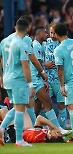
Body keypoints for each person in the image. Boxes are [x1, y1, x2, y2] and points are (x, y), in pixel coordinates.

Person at [0, 18, 35, 146]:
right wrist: (30, 84)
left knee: (15, 108)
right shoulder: (22, 44)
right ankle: (19, 140)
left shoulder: (4, 41)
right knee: (20, 109)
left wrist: (1, 76)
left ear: (16, 27)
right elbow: (25, 65)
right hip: (18, 79)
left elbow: (1, 60)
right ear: (28, 28)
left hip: (7, 78)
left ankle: (2, 128)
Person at [30, 27, 71, 135]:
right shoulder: (36, 45)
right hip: (36, 79)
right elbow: (36, 63)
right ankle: (57, 128)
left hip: (39, 79)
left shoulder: (38, 45)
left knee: (37, 107)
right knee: (48, 103)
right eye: (45, 32)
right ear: (38, 33)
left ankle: (31, 130)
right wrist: (44, 75)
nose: (47, 34)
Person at [44, 22, 67, 129]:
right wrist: (45, 64)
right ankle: (47, 128)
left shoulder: (62, 43)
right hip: (47, 79)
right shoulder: (44, 43)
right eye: (51, 33)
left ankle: (60, 128)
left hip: (59, 80)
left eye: (54, 33)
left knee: (61, 105)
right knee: (46, 105)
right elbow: (38, 59)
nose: (52, 35)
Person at [0, 108, 66, 143]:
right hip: (26, 130)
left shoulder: (40, 136)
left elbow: (40, 118)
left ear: (51, 136)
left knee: (3, 111)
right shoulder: (44, 135)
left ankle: (4, 130)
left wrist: (54, 127)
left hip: (16, 134)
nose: (57, 131)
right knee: (23, 110)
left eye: (57, 133)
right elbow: (39, 119)